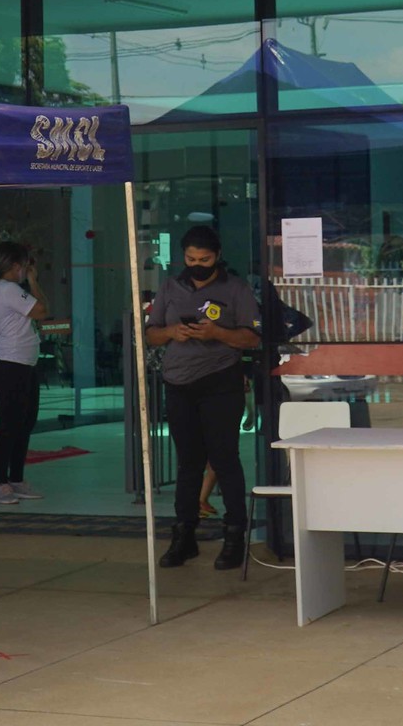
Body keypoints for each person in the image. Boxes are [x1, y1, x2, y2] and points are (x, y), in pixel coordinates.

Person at [145, 224, 261, 571]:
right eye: (191, 258)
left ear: (218, 257)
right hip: (179, 383)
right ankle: (184, 537)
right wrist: (170, 332)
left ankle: (234, 535)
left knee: (224, 458)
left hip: (220, 382)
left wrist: (217, 333)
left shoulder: (236, 288)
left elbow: (252, 338)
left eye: (204, 259)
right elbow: (150, 334)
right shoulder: (170, 287)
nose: (197, 264)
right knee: (188, 462)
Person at [0, 242, 50, 504]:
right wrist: (33, 282)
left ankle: (17, 478)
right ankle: (1, 482)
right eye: (25, 266)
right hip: (10, 365)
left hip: (25, 364)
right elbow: (43, 310)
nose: (26, 271)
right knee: (11, 425)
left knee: (25, 422)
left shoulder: (8, 289)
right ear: (15, 266)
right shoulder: (7, 289)